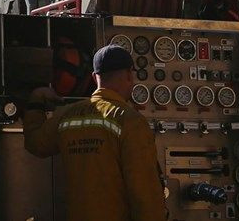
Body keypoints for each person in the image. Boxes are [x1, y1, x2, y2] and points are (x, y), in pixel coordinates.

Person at [23, 44, 167, 221]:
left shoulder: (67, 115)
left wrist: (35, 102)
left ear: (94, 77)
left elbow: (35, 143)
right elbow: (144, 192)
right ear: (130, 74)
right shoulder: (130, 121)